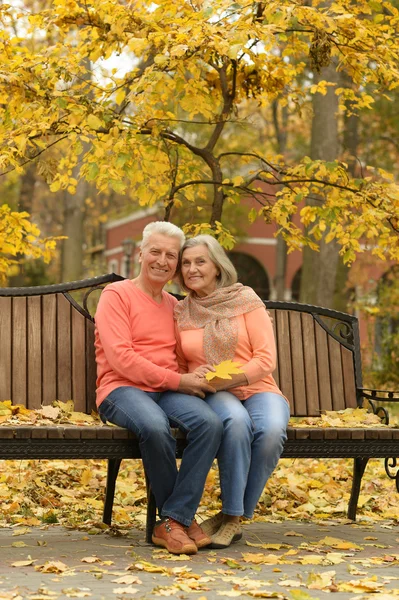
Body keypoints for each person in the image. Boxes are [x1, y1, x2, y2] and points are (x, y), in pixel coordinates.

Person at [94, 222, 223, 555]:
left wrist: (196, 375)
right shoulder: (116, 296)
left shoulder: (173, 305)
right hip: (121, 390)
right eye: (155, 252)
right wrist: (179, 381)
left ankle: (172, 519)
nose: (162, 261)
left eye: (170, 255)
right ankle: (179, 522)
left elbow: (180, 356)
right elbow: (122, 359)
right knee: (153, 426)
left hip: (166, 389)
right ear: (140, 254)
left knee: (209, 424)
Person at [174, 234, 290, 549]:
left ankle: (231, 516)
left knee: (271, 430)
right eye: (186, 263)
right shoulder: (181, 312)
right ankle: (233, 517)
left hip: (258, 387)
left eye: (200, 261)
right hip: (213, 394)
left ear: (217, 266)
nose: (192, 269)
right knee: (236, 423)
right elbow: (181, 364)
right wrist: (192, 377)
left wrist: (228, 379)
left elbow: (266, 360)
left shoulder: (245, 299)